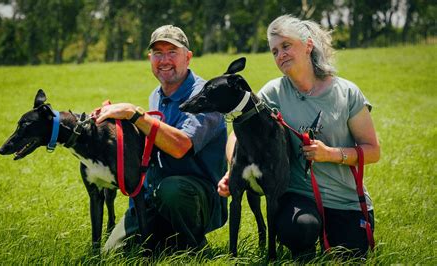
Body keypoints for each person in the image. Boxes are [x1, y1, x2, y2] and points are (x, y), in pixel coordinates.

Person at [217, 15, 380, 259]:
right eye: (274, 51)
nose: (279, 55)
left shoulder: (347, 92)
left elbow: (373, 151)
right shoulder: (273, 92)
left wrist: (331, 155)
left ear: (308, 45)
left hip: (344, 199)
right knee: (297, 231)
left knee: (352, 254)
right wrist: (234, 170)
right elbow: (237, 134)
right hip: (298, 195)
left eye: (286, 46)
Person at [94, 25, 228, 253]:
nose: (164, 60)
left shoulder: (207, 96)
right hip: (152, 196)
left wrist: (135, 114)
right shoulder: (156, 94)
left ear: (188, 57)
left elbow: (180, 146)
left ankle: (194, 248)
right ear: (150, 58)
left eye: (172, 52)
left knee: (172, 190)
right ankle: (167, 241)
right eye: (158, 53)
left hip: (195, 196)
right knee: (112, 254)